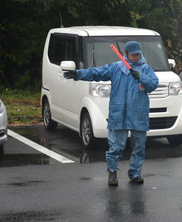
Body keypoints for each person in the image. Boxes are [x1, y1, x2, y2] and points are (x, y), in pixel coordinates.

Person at [64, 41, 159, 186]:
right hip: (119, 113)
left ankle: (135, 174)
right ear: (126, 54)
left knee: (139, 146)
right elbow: (96, 73)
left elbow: (153, 85)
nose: (136, 57)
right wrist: (77, 74)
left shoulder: (146, 69)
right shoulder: (116, 68)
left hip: (138, 114)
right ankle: (112, 173)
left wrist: (140, 76)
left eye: (138, 54)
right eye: (133, 54)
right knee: (115, 146)